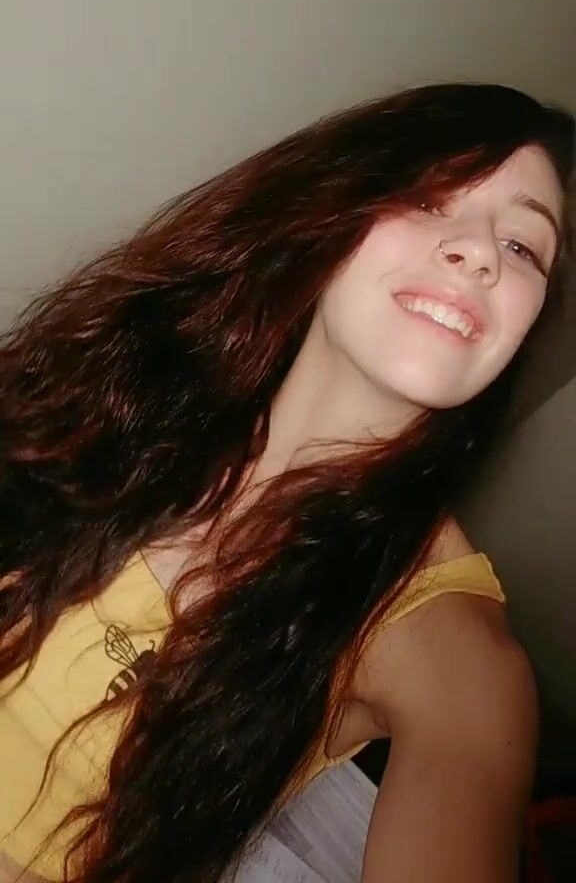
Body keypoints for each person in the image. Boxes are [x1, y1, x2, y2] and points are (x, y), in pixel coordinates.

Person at [0, 83, 573, 883]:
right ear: (334, 214)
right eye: (429, 199)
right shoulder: (133, 382)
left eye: (521, 247)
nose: (480, 251)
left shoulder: (445, 640)